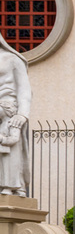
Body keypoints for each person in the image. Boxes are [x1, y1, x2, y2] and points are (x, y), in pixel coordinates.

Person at [0, 38, 31, 197]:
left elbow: (24, 89)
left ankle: (13, 185)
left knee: (10, 151)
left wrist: (22, 114)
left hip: (8, 110)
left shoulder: (13, 60)